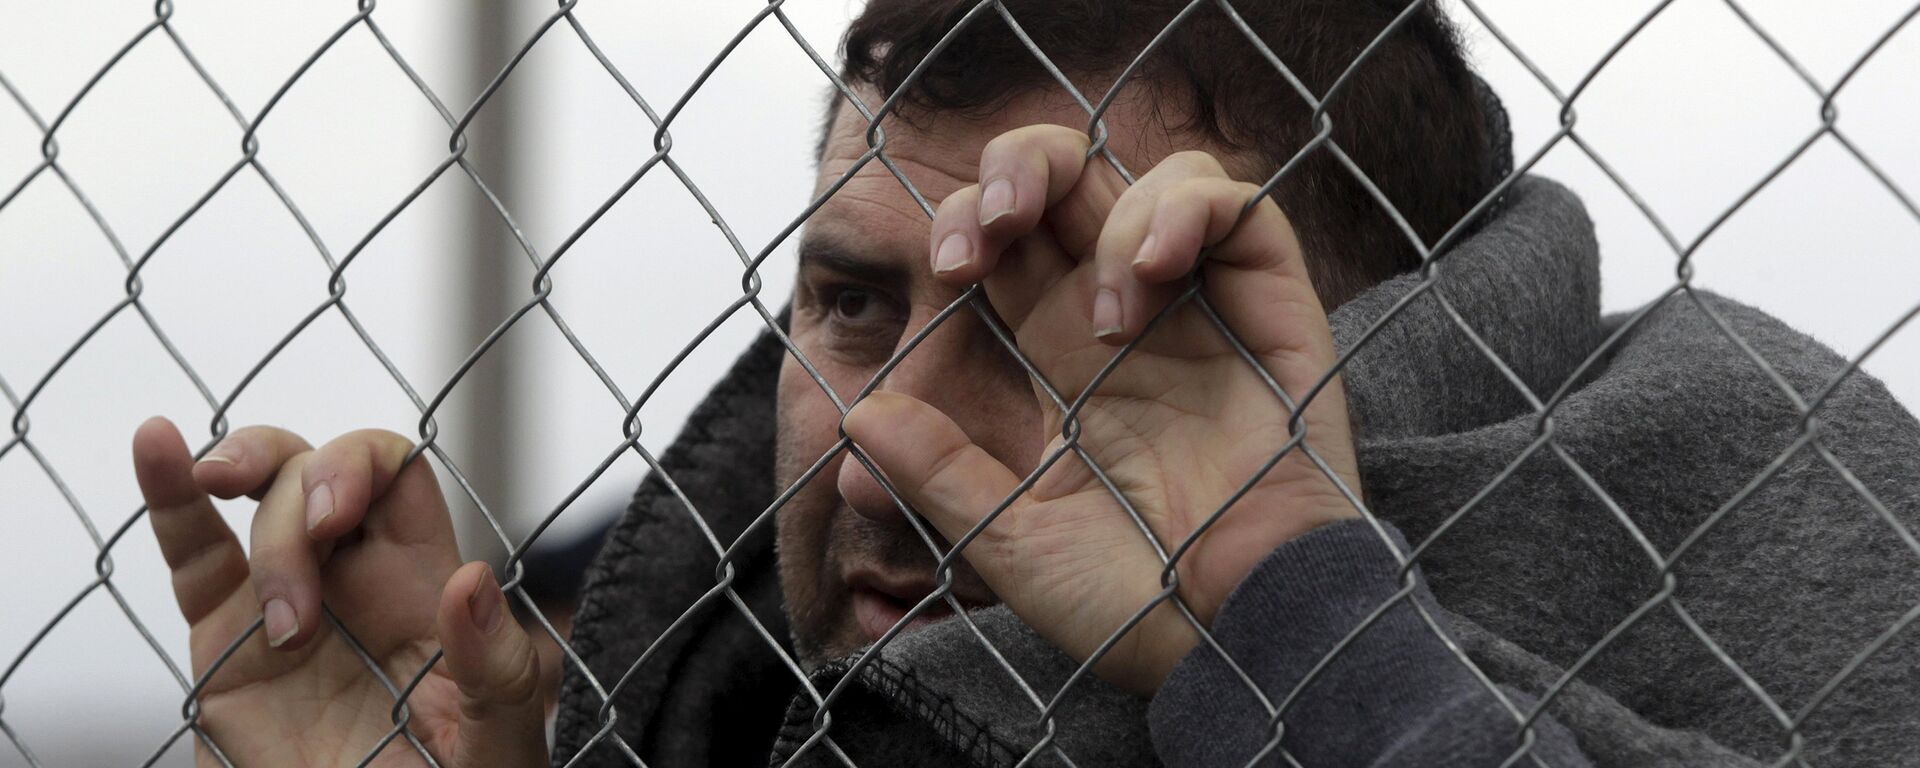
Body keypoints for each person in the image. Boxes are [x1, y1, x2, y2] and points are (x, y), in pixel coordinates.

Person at [129, 1, 1920, 766]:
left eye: (1062, 329)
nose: (884, 447)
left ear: (1348, 346)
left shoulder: (1764, 504)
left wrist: (1292, 613)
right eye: (844, 300)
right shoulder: (675, 673)